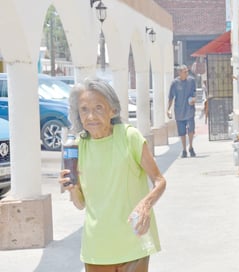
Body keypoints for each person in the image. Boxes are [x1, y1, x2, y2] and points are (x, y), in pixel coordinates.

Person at [59, 77, 166, 272]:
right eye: (84, 109)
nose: (91, 116)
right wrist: (72, 189)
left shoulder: (129, 137)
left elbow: (159, 181)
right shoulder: (76, 148)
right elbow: (80, 204)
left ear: (113, 110)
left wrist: (145, 205)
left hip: (134, 241)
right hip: (97, 247)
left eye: (98, 108)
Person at [167, 64, 197, 158]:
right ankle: (184, 149)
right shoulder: (174, 83)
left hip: (189, 109)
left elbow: (194, 93)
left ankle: (191, 147)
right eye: (184, 72)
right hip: (179, 111)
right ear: (179, 73)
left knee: (191, 129)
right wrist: (168, 109)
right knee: (182, 131)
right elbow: (171, 97)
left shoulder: (191, 81)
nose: (187, 73)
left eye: (187, 71)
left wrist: (193, 99)